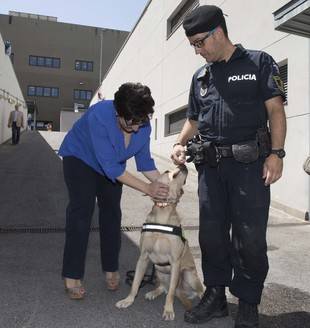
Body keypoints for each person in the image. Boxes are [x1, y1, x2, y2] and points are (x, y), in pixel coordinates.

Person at [171, 5, 286, 328]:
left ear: (217, 33)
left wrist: (276, 153)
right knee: (212, 236)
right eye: (192, 45)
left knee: (249, 238)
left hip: (250, 167)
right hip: (210, 169)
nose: (197, 51)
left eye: (199, 43)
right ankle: (217, 295)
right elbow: (193, 119)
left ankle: (248, 301)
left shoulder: (259, 63)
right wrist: (179, 143)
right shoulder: (201, 76)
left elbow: (275, 110)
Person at [58, 82, 169, 300]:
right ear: (118, 113)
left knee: (111, 214)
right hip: (80, 159)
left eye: (141, 121)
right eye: (132, 122)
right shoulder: (99, 116)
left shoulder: (142, 122)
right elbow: (111, 168)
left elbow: (145, 162)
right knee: (82, 212)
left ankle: (110, 267)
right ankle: (72, 274)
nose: (137, 127)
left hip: (111, 166)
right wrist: (148, 188)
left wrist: (165, 186)